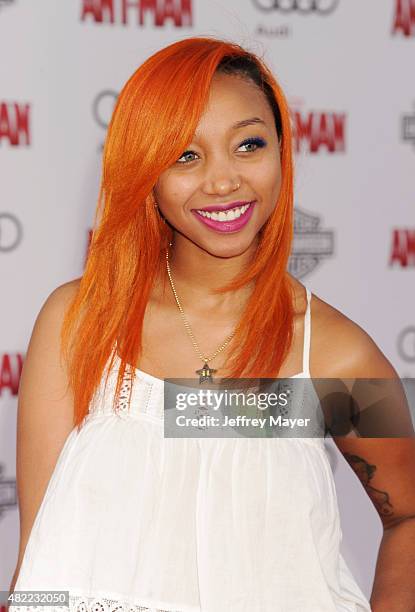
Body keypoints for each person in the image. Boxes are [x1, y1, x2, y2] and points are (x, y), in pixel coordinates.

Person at [9, 36, 415, 612]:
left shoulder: (333, 355)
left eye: (248, 144)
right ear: (144, 170)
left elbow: (408, 514)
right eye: (185, 155)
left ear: (282, 151)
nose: (223, 182)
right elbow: (39, 557)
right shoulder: (78, 322)